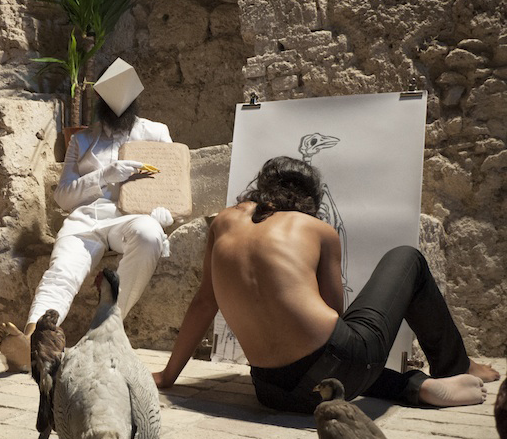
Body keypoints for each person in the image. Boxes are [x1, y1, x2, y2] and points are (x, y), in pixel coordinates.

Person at [152, 155, 499, 412]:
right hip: (335, 373)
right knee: (407, 259)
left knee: (329, 359)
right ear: (309, 200)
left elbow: (203, 303)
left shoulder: (223, 222)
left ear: (261, 188)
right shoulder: (318, 230)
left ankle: (417, 387)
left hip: (270, 391)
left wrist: (169, 376)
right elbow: (336, 315)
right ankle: (456, 367)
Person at [0, 58, 176, 370]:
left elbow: (172, 186)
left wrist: (164, 212)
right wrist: (103, 176)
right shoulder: (81, 140)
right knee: (62, 271)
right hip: (86, 222)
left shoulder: (156, 132)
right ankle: (31, 340)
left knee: (149, 234)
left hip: (129, 218)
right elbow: (63, 196)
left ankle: (107, 331)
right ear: (100, 101)